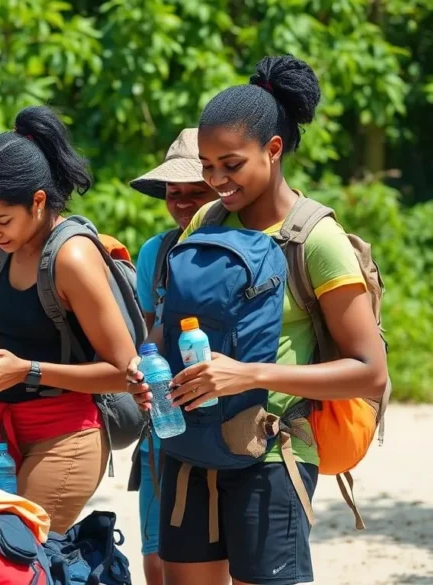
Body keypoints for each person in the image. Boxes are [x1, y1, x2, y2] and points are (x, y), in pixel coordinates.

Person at [128, 55, 388, 585]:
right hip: (190, 444)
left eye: (231, 164)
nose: (217, 180)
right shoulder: (207, 219)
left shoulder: (317, 241)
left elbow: (370, 372)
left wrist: (249, 374)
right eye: (207, 166)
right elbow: (174, 323)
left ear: (273, 151)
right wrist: (146, 362)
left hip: (274, 454)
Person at [0, 106, 139, 533]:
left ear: (38, 201)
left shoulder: (72, 257)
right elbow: (0, 328)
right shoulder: (2, 250)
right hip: (1, 434)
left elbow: (125, 373)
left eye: (1, 220)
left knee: (20, 558)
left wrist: (26, 372)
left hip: (67, 436)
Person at [127, 127, 217, 585]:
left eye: (194, 192)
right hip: (162, 428)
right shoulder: (155, 252)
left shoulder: (252, 245)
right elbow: (148, 335)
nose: (181, 202)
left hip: (224, 427)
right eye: (172, 192)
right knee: (157, 555)